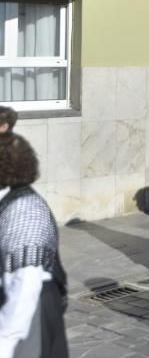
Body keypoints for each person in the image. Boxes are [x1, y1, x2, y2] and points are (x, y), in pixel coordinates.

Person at [0, 133, 69, 358]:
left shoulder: (25, 210)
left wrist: (6, 341)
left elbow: (25, 282)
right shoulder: (8, 200)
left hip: (27, 315)